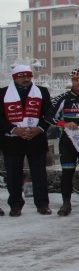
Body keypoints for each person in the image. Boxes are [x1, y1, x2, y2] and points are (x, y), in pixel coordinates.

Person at [46, 67, 79, 216]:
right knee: (67, 173)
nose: (78, 83)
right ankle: (66, 204)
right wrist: (64, 124)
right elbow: (48, 116)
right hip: (68, 141)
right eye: (75, 80)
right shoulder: (63, 98)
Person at [0, 65, 52, 216]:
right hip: (12, 140)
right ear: (14, 77)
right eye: (22, 76)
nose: (26, 79)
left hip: (35, 138)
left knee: (39, 173)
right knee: (13, 174)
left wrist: (39, 129)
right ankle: (15, 205)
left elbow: (49, 114)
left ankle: (42, 204)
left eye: (28, 76)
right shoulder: (3, 93)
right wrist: (14, 129)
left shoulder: (41, 92)